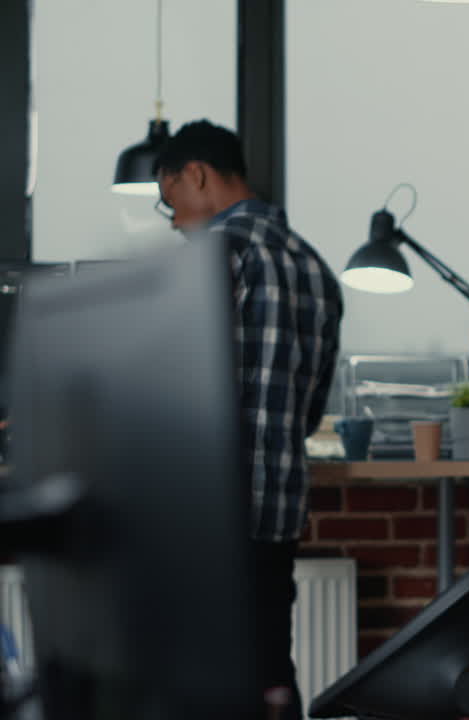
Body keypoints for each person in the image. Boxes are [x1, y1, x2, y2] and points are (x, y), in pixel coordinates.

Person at [153, 120, 344, 720]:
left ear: (196, 176)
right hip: (276, 515)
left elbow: (170, 393)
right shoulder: (316, 270)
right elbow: (309, 408)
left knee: (197, 684)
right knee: (268, 674)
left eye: (171, 205)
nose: (177, 224)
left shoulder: (214, 255)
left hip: (205, 510)